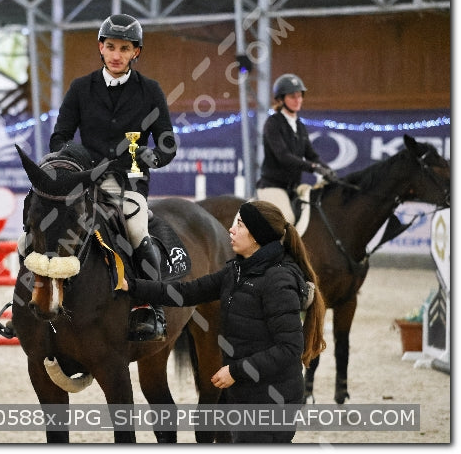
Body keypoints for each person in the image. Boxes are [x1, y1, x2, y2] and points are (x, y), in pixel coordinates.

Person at [122, 200, 326, 443]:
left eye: (239, 225)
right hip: (244, 392)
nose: (230, 229)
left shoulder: (279, 281)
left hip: (272, 398)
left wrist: (234, 371)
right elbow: (186, 292)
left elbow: (290, 349)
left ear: (256, 236)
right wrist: (132, 285)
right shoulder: (236, 271)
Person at [49, 13, 177, 342]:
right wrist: (78, 161)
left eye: (124, 48)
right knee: (40, 230)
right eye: (111, 47)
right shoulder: (81, 88)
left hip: (128, 182)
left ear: (137, 52)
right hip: (85, 180)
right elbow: (59, 138)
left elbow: (168, 143)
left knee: (136, 232)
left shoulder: (150, 91)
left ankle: (152, 309)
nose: (117, 54)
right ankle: (27, 303)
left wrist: (154, 156)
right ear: (100, 49)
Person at [256, 73, 336, 224]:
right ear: (280, 99)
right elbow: (283, 156)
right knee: (287, 220)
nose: (298, 100)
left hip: (293, 188)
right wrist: (314, 168)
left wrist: (328, 170)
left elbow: (312, 155)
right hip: (272, 186)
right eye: (292, 96)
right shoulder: (272, 124)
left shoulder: (300, 126)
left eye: (300, 96)